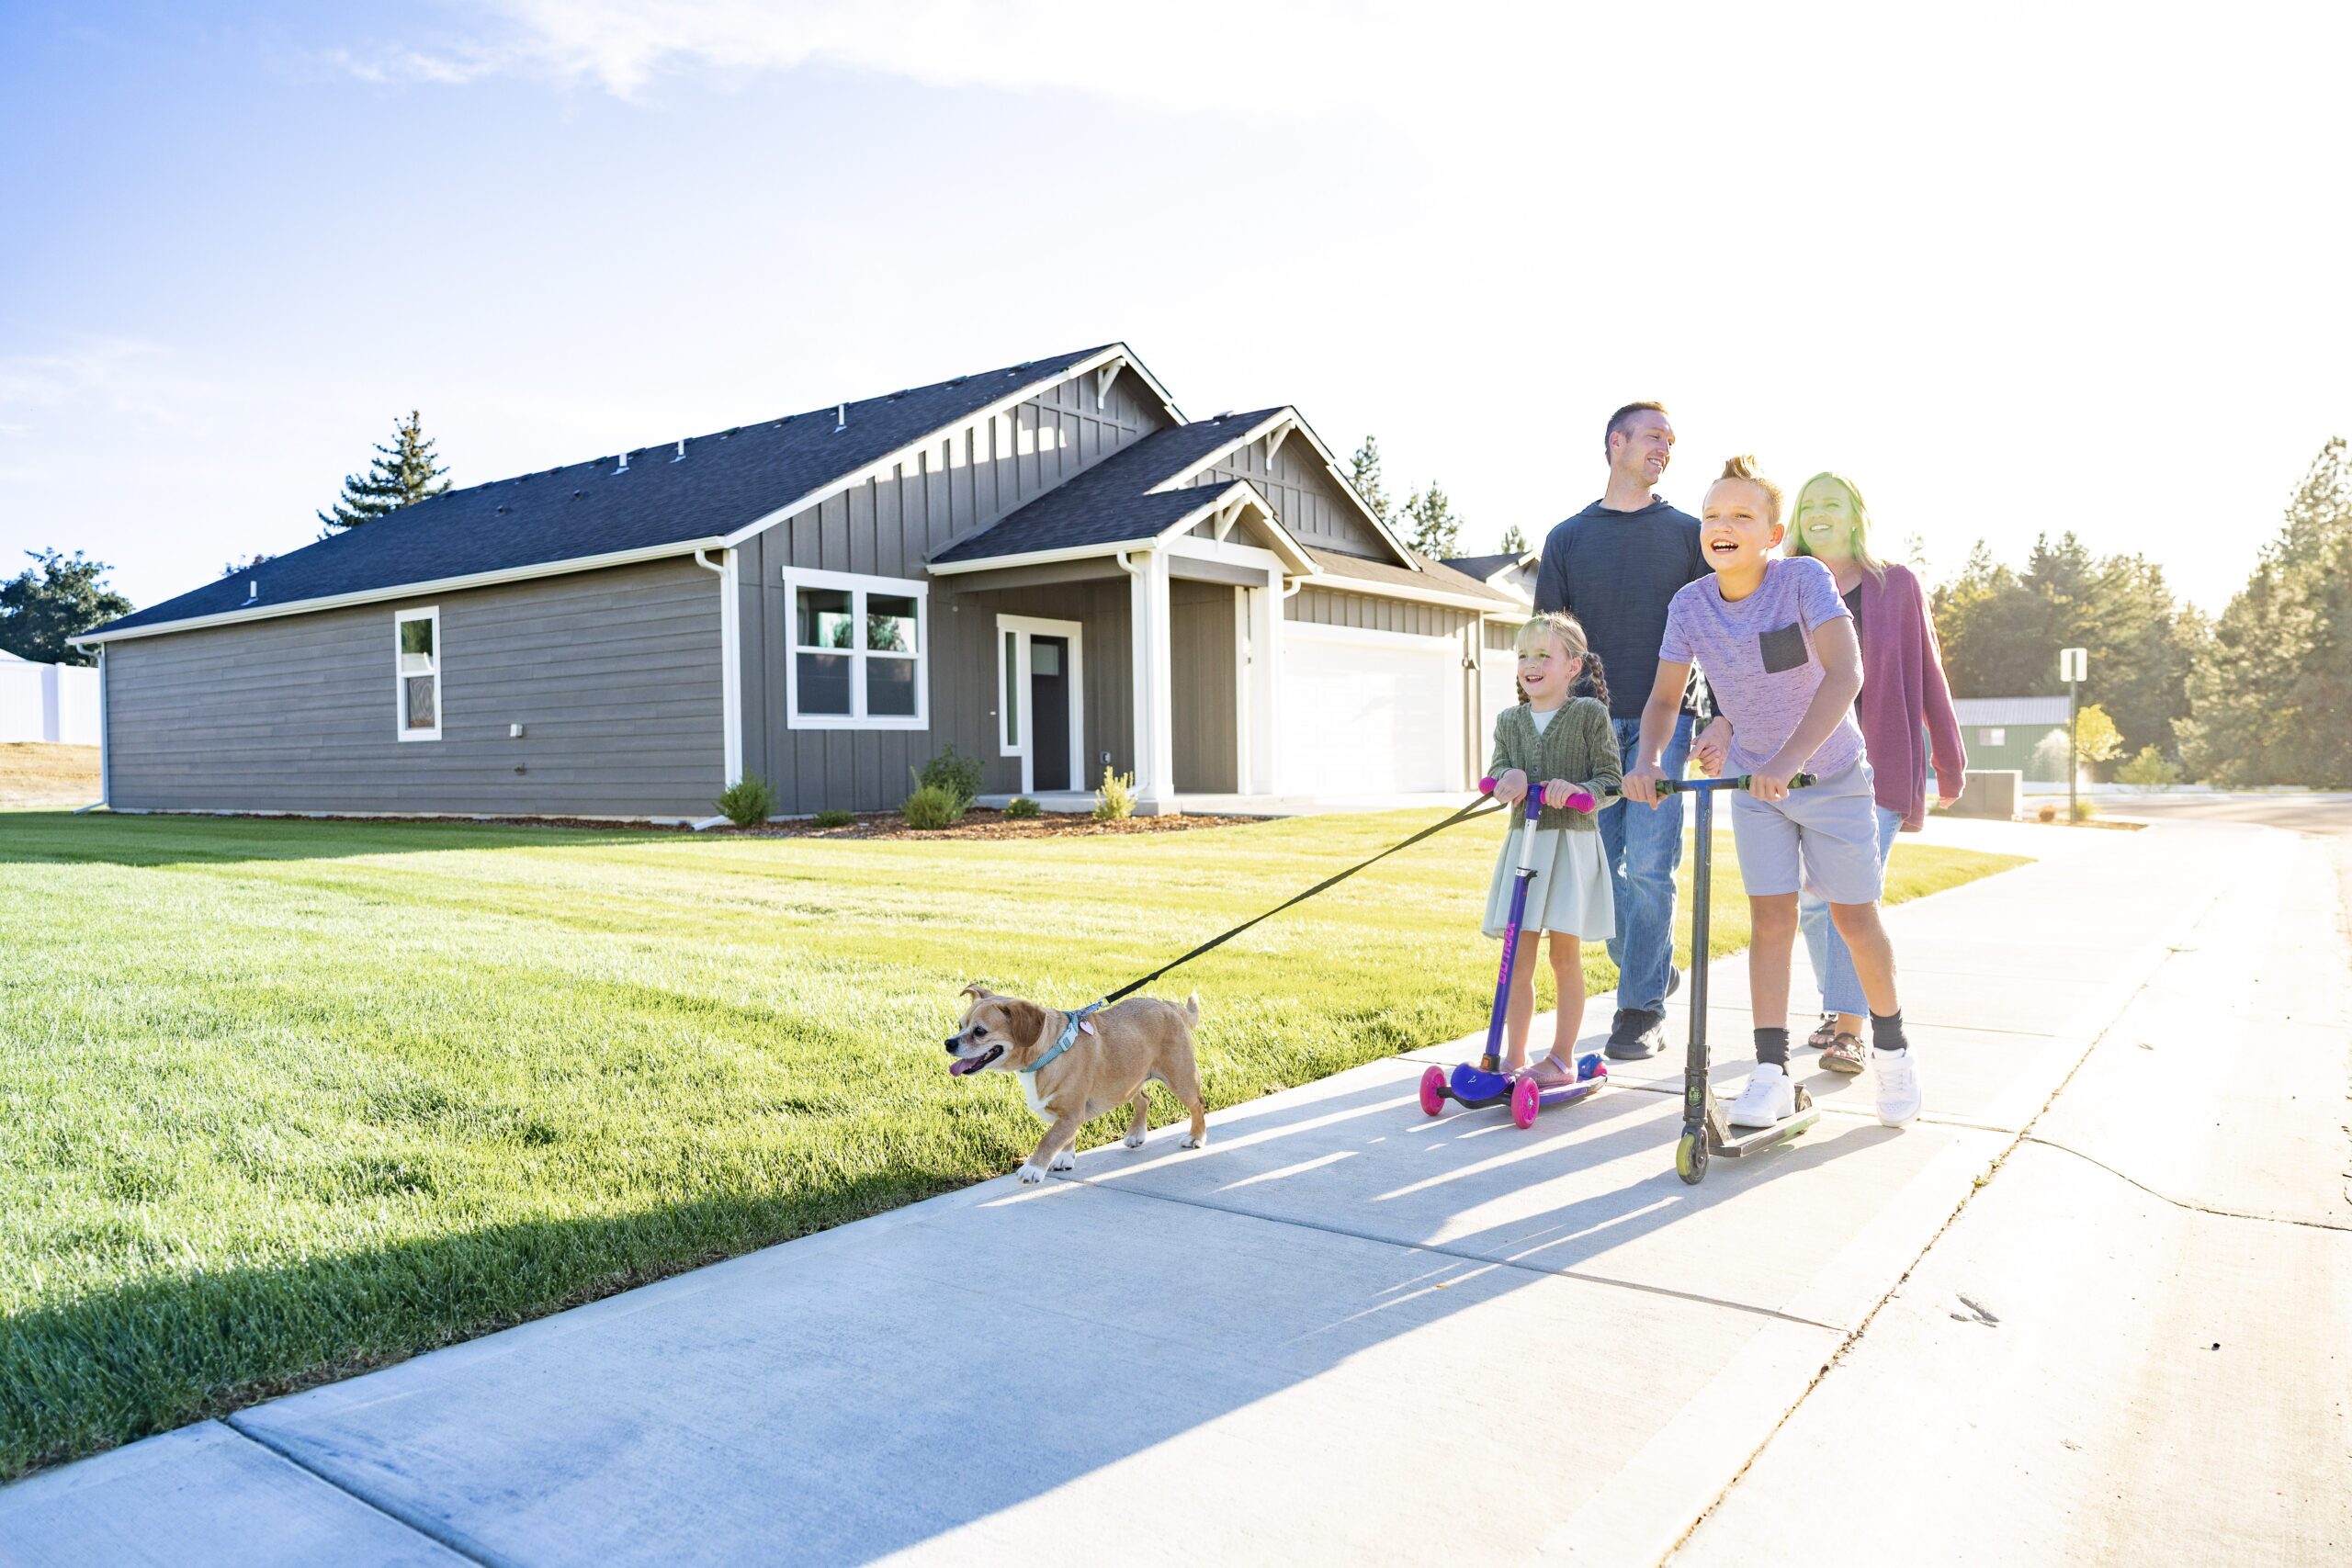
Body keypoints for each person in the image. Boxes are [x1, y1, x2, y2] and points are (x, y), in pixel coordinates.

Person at [1625, 457, 1921, 1128]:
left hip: (1834, 776)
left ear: (1772, 531)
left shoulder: (1802, 580)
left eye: (1740, 515)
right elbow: (1666, 698)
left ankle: (1895, 1051)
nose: (1721, 526)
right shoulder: (1691, 605)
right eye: (1710, 516)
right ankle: (1770, 1072)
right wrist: (1647, 760)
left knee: (1853, 919)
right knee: (1770, 920)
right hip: (1758, 783)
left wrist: (1788, 758)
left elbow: (1846, 673)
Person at [1695, 473, 1966, 1072]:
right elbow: (1751, 681)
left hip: (1878, 764)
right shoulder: (1777, 587)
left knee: (1844, 896)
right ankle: (1843, 1010)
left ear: (1856, 515)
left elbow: (1928, 670)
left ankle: (1850, 1028)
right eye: (1809, 504)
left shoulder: (1896, 585)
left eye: (1832, 503)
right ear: (1792, 523)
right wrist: (1727, 728)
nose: (1820, 513)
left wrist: (1949, 759)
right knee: (1814, 904)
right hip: (1801, 769)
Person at [1534, 402, 1710, 1060]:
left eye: (1672, 440)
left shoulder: (1690, 535)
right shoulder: (1568, 539)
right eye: (1654, 436)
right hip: (1591, 732)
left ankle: (1639, 1009)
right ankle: (1650, 962)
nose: (1665, 447)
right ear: (1617, 443)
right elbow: (1546, 645)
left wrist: (1720, 714)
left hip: (1669, 723)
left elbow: (1715, 638)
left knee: (1653, 872)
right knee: (1600, 873)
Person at [1484, 614, 1622, 1087]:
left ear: (1573, 666)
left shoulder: (1589, 715)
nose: (1531, 664)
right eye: (1523, 655)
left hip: (1571, 847)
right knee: (1516, 959)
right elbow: (1496, 774)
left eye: (1544, 655)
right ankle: (1514, 1058)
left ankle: (1562, 1058)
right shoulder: (1510, 720)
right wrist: (1508, 780)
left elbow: (1610, 781)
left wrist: (1579, 790)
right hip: (1525, 847)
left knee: (1564, 956)